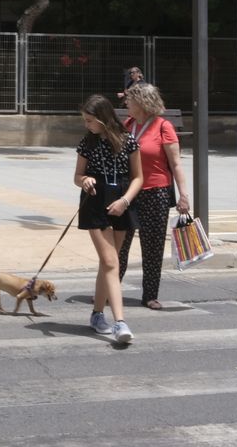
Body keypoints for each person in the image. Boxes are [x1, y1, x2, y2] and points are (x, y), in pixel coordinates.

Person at [117, 83, 191, 310]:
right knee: (119, 245)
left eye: (130, 99)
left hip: (156, 192)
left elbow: (176, 163)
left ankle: (150, 295)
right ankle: (109, 289)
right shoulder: (127, 125)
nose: (126, 103)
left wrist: (184, 195)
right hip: (128, 192)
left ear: (141, 102)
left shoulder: (163, 127)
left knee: (152, 246)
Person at [75, 94, 142, 344]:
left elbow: (138, 178)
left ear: (103, 119)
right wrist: (85, 180)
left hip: (122, 202)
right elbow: (77, 176)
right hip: (95, 202)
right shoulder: (87, 143)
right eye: (85, 120)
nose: (87, 125)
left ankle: (96, 314)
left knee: (108, 263)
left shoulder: (129, 141)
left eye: (90, 120)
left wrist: (125, 200)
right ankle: (120, 323)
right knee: (111, 262)